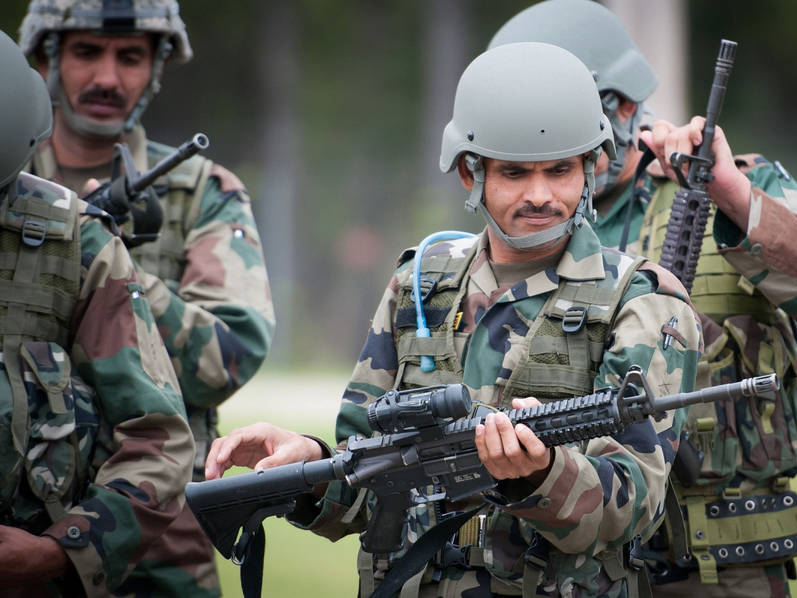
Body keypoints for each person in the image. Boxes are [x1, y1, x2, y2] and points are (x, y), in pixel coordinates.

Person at [206, 41, 702, 597]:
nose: (540, 195)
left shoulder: (641, 301)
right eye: (514, 173)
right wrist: (309, 466)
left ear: (589, 169)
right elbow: (368, 477)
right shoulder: (420, 283)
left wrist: (541, 474)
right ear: (471, 174)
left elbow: (632, 506)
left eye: (560, 170)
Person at [488, 1, 797, 596]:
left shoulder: (727, 190)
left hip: (717, 565)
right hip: (574, 564)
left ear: (625, 104)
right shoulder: (530, 227)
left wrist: (730, 192)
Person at [17, 1, 277, 595]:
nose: (108, 78)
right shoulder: (8, 181)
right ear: (42, 59)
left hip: (157, 535)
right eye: (86, 52)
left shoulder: (200, 192)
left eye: (130, 57)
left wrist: (109, 257)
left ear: (156, 68)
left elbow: (225, 360)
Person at [0, 28, 194, 597]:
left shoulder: (77, 243)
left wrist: (60, 551)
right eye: (86, 53)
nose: (108, 77)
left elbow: (159, 436)